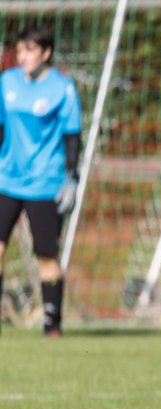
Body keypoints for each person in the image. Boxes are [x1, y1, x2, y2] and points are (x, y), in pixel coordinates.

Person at [0, 25, 82, 338]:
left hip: (44, 182)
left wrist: (71, 177)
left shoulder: (62, 89)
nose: (23, 57)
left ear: (45, 53)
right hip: (6, 179)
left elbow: (72, 136)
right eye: (20, 51)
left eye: (30, 51)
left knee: (45, 254)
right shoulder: (6, 82)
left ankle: (52, 325)